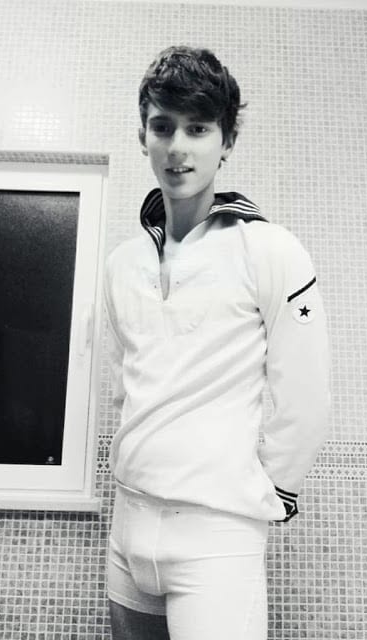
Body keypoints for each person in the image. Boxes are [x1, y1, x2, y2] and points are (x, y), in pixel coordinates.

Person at [103, 45, 331, 640]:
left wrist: (264, 493)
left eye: (198, 129)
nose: (177, 146)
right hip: (127, 525)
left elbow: (307, 398)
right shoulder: (122, 263)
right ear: (143, 135)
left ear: (226, 141)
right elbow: (123, 387)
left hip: (217, 537)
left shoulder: (269, 249)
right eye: (163, 127)